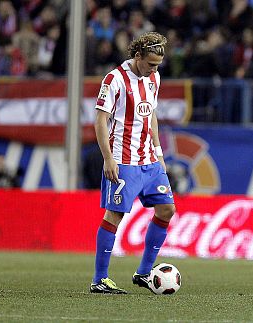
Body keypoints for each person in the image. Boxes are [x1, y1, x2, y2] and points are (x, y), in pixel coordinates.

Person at [90, 32, 175, 294]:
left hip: (149, 160)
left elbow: (151, 116)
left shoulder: (154, 78)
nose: (154, 70)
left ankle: (144, 273)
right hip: (123, 160)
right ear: (137, 56)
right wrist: (108, 158)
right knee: (115, 215)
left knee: (167, 210)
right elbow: (100, 120)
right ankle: (100, 279)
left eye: (158, 65)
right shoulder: (114, 79)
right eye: (150, 64)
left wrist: (159, 152)